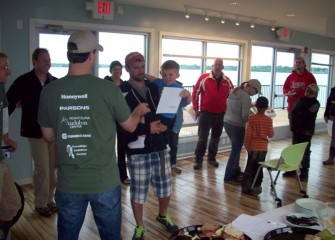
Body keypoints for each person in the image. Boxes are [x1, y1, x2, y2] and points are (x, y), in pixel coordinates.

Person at [37, 31, 149, 240]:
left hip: (69, 183)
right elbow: (131, 127)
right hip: (104, 182)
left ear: (70, 55)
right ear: (91, 55)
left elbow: (48, 135)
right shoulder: (109, 89)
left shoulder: (50, 91)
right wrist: (138, 111)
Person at [119, 52, 178, 240]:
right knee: (138, 191)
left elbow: (171, 108)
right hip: (138, 152)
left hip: (160, 147)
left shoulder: (155, 87)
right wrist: (146, 128)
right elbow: (121, 125)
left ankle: (162, 216)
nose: (140, 70)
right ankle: (140, 226)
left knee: (165, 187)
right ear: (127, 68)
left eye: (142, 66)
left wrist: (166, 127)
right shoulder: (121, 91)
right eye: (135, 67)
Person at [6, 48, 57, 217]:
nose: (47, 63)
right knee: (42, 168)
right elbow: (8, 105)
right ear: (34, 61)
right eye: (44, 60)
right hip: (35, 132)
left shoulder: (55, 82)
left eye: (49, 60)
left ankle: (50, 199)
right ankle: (41, 203)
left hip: (53, 132)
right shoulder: (23, 81)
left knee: (52, 168)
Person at [145, 60, 192, 173]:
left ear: (177, 75)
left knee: (171, 143)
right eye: (164, 75)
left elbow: (186, 103)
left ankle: (171, 163)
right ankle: (162, 164)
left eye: (170, 75)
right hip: (160, 117)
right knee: (161, 142)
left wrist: (188, 95)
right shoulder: (161, 83)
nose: (167, 77)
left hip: (172, 120)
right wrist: (144, 75)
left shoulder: (179, 88)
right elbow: (153, 79)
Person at [192, 58, 234, 170]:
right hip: (206, 113)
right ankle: (198, 160)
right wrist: (196, 109)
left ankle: (211, 158)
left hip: (221, 113)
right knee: (202, 138)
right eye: (216, 64)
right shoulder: (204, 78)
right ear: (212, 66)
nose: (217, 66)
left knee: (216, 137)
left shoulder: (227, 81)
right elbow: (195, 93)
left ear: (222, 67)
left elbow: (232, 96)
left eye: (220, 65)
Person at [223, 79, 261, 184]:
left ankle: (236, 172)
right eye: (256, 92)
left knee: (236, 149)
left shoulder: (234, 91)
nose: (254, 94)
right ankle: (229, 176)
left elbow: (236, 107)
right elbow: (244, 116)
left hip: (227, 122)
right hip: (237, 126)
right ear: (252, 88)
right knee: (235, 152)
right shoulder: (246, 97)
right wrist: (255, 118)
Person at [0, 52, 20, 240]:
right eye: (4, 68)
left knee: (12, 203)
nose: (9, 71)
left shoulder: (1, 90)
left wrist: (7, 139)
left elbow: (4, 117)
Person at [241, 96, 274, 196]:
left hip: (253, 147)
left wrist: (247, 146)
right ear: (267, 107)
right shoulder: (269, 120)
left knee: (250, 168)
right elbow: (271, 134)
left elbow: (248, 134)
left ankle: (246, 187)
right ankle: (257, 186)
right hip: (263, 148)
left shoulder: (251, 118)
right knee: (259, 168)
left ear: (256, 106)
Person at [104, 60, 131, 184]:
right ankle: (107, 174)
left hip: (121, 118)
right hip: (107, 118)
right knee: (107, 147)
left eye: (120, 69)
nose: (118, 72)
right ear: (111, 71)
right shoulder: (105, 83)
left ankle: (123, 175)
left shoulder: (125, 85)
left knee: (122, 148)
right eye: (116, 69)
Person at [289, 83, 320, 181]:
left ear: (315, 94)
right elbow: (293, 111)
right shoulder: (300, 100)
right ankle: (292, 169)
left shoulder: (315, 103)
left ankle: (304, 172)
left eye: (311, 92)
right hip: (297, 128)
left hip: (306, 130)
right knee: (294, 149)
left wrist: (296, 114)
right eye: (307, 90)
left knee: (305, 151)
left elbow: (306, 114)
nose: (308, 93)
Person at [283, 56, 317, 126]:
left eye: (300, 62)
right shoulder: (290, 76)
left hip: (305, 108)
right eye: (296, 62)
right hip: (292, 107)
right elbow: (285, 88)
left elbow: (315, 90)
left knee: (304, 129)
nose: (297, 64)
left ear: (304, 64)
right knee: (293, 128)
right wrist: (287, 92)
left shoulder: (310, 76)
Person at [323, 86, 335, 165]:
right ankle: (331, 158)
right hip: (333, 114)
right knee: (333, 137)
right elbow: (328, 102)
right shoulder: (333, 90)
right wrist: (326, 114)